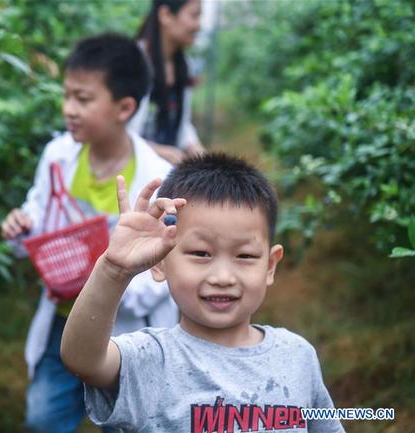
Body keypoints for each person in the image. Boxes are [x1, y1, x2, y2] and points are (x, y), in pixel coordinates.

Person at [61, 153, 346, 432]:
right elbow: (81, 359)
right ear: (161, 263)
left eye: (245, 256)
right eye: (201, 253)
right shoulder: (150, 359)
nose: (222, 277)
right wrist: (114, 269)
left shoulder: (296, 356)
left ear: (270, 265)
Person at [0, 33, 179, 433]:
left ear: (125, 107)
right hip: (65, 322)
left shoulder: (157, 180)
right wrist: (20, 226)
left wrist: (104, 278)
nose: (69, 110)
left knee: (128, 421)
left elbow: (164, 271)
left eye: (83, 99)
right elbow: (38, 211)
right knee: (44, 419)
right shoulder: (58, 157)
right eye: (66, 96)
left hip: (129, 335)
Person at [129, 0, 206, 164]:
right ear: (165, 15)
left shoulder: (185, 65)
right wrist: (158, 151)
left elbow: (182, 123)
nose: (198, 25)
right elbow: (119, 131)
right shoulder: (134, 61)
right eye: (194, 15)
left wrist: (198, 151)